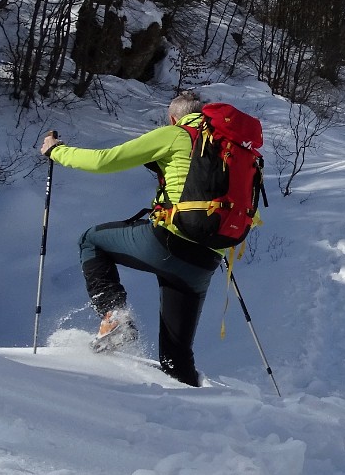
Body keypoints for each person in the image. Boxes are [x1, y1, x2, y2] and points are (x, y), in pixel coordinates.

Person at [38, 90, 220, 386]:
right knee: (176, 357)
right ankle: (192, 413)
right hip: (207, 259)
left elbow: (105, 160)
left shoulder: (176, 134)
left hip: (168, 243)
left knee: (92, 240)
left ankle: (115, 317)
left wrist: (56, 151)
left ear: (175, 117)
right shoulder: (230, 147)